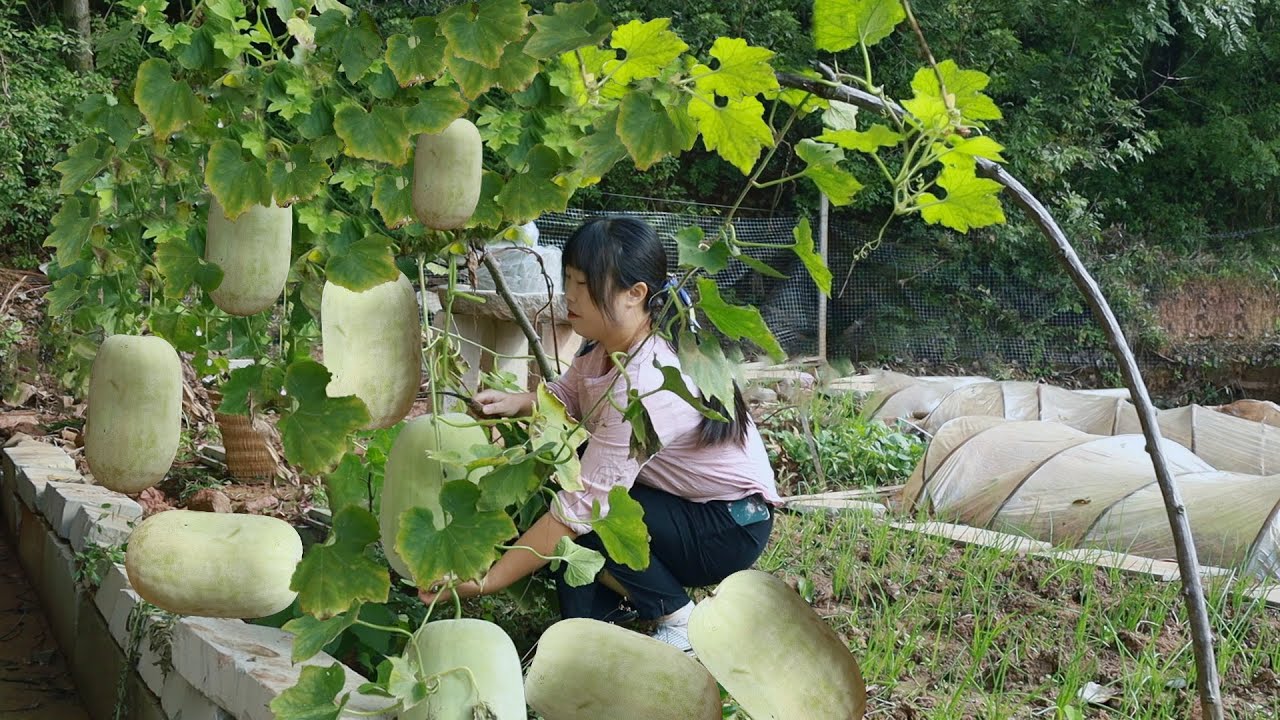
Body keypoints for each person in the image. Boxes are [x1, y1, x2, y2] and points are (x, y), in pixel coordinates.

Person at [418, 216, 781, 653]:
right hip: (686, 507)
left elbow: (580, 510)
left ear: (636, 294)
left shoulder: (648, 379)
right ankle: (597, 627)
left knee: (587, 514)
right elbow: (571, 394)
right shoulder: (606, 344)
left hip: (729, 526)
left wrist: (488, 579)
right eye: (568, 279)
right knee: (578, 509)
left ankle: (678, 618)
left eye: (585, 284)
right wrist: (522, 401)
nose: (570, 294)